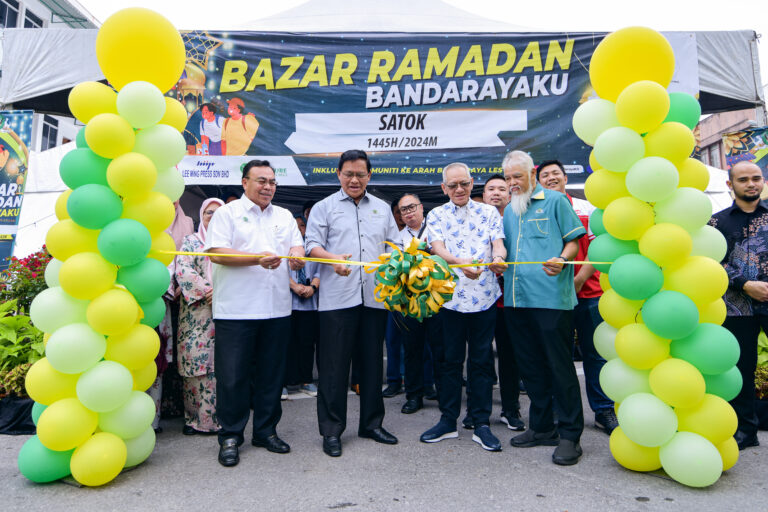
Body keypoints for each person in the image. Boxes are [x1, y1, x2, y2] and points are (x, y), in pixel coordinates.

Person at [205, 160, 305, 467]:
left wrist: (297, 257)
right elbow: (217, 253)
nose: (268, 187)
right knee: (233, 377)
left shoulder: (284, 215)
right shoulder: (227, 213)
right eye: (261, 180)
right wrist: (255, 259)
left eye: (272, 182)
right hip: (236, 310)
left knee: (271, 375)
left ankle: (265, 431)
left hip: (277, 309)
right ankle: (230, 436)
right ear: (245, 182)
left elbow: (296, 246)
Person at [304, 149, 401, 457]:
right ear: (338, 174)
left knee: (372, 364)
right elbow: (311, 246)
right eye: (349, 174)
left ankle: (372, 424)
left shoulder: (383, 208)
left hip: (374, 297)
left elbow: (395, 245)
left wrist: (393, 261)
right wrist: (332, 259)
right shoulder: (324, 207)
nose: (354, 180)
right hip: (337, 299)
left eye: (360, 174)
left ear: (369, 175)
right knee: (334, 367)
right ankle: (332, 431)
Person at [500, 150, 586, 466]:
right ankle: (541, 427)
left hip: (551, 299)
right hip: (516, 298)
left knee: (559, 367)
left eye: (517, 177)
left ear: (532, 175)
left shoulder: (555, 201)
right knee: (531, 367)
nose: (512, 183)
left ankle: (570, 435)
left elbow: (574, 242)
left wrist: (562, 259)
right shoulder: (509, 210)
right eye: (507, 178)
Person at [419, 162, 508, 452]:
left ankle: (481, 423)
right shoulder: (436, 214)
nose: (459, 189)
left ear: (472, 183)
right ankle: (447, 421)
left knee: (481, 361)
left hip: (485, 297)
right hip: (450, 300)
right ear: (444, 188)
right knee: (449, 361)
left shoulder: (489, 212)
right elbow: (438, 248)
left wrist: (498, 258)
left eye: (464, 184)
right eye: (453, 185)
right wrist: (461, 263)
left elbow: (498, 244)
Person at [538, 160, 618, 435]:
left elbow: (599, 247)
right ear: (539, 183)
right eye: (545, 175)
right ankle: (561, 411)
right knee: (556, 356)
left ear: (564, 178)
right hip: (552, 297)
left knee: (595, 354)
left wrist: (580, 279)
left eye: (555, 174)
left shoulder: (586, 208)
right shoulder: (537, 212)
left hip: (589, 293)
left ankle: (603, 410)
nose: (551, 178)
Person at [709, 160, 767, 450]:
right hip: (736, 306)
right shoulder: (715, 223)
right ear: (730, 185)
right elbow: (711, 261)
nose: (751, 184)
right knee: (741, 369)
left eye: (756, 178)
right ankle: (745, 430)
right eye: (743, 180)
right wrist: (745, 284)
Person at [175, 198, 225, 435]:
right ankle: (195, 419)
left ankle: (222, 418)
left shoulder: (230, 243)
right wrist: (207, 290)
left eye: (219, 213)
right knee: (195, 363)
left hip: (226, 309)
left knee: (223, 365)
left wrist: (222, 290)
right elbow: (183, 269)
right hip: (197, 313)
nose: (213, 217)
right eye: (209, 213)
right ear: (202, 215)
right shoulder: (190, 241)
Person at [482, 174, 525, 432]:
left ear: (510, 195)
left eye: (502, 188)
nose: (496, 193)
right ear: (484, 195)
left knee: (509, 356)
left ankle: (511, 409)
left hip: (510, 300)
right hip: (481, 301)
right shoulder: (475, 219)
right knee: (481, 356)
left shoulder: (517, 220)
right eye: (491, 189)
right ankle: (479, 412)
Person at [396, 193, 440, 414]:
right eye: (403, 210)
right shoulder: (397, 237)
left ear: (422, 208)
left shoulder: (437, 230)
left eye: (412, 207)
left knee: (440, 348)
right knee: (412, 349)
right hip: (410, 301)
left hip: (437, 299)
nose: (408, 213)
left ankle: (442, 391)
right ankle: (414, 395)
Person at [286, 215, 320, 397]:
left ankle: (306, 380)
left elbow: (320, 271)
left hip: (309, 304)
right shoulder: (284, 247)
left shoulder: (312, 249)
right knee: (286, 343)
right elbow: (279, 271)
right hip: (288, 303)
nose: (299, 229)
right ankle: (284, 382)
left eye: (302, 225)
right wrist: (294, 286)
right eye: (295, 226)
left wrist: (312, 287)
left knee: (307, 343)